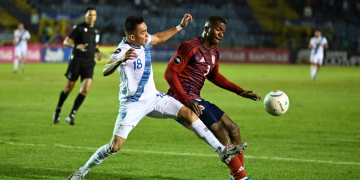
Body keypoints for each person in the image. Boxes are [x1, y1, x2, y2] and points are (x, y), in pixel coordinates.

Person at [66, 14, 247, 180]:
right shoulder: (123, 48)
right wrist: (120, 61)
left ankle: (222, 150)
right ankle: (83, 171)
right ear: (132, 37)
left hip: (154, 98)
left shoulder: (143, 41)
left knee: (189, 113)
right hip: (132, 104)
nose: (147, 35)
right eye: (143, 32)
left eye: (146, 31)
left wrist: (179, 27)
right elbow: (106, 70)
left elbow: (159, 37)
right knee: (114, 146)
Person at [164, 15, 262, 180]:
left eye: (223, 31)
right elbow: (169, 73)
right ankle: (241, 178)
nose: (221, 34)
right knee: (221, 132)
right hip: (182, 101)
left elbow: (215, 77)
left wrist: (240, 91)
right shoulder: (189, 47)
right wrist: (185, 99)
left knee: (234, 129)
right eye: (218, 29)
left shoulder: (215, 53)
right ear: (207, 29)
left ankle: (236, 175)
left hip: (197, 99)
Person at [52, 7, 102, 125]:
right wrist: (76, 45)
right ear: (85, 15)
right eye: (89, 15)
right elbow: (66, 41)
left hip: (89, 62)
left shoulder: (97, 30)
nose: (91, 17)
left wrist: (97, 52)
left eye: (93, 15)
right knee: (68, 89)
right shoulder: (78, 28)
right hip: (77, 61)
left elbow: (93, 45)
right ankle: (58, 110)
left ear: (96, 17)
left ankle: (71, 115)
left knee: (85, 89)